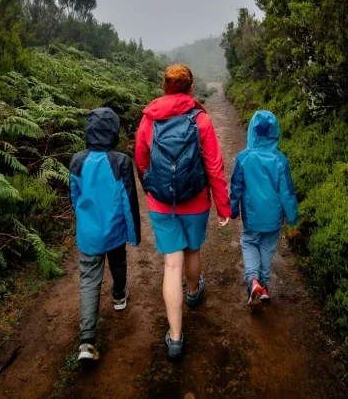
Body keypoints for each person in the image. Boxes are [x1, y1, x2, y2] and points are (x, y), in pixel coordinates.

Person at [135, 64, 231, 361]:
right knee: (192, 251)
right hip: (196, 201)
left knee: (171, 266)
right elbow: (214, 166)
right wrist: (223, 206)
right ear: (190, 89)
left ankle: (175, 339)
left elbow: (141, 160)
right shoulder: (200, 120)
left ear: (165, 88)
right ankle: (193, 292)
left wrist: (151, 189)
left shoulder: (149, 120)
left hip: (162, 204)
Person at [70, 108, 141, 364]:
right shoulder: (120, 161)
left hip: (89, 233)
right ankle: (119, 296)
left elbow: (74, 198)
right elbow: (129, 202)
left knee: (89, 280)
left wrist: (83, 220)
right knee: (118, 261)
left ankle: (87, 341)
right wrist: (134, 236)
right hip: (114, 231)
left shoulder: (77, 160)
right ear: (114, 131)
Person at [229, 110, 298, 306]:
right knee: (267, 248)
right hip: (274, 217)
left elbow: (236, 188)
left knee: (250, 242)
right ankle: (264, 286)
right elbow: (287, 192)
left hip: (251, 216)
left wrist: (233, 209)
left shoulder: (243, 158)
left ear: (252, 130)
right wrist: (292, 218)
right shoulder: (280, 159)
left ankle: (253, 280)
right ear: (275, 131)